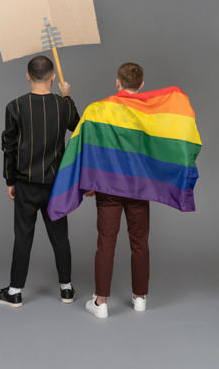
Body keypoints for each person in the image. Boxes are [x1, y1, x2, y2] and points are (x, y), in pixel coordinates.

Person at [0, 55, 80, 308]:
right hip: (56, 184)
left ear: (28, 76)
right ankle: (66, 289)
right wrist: (67, 96)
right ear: (53, 77)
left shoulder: (15, 106)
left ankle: (15, 291)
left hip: (26, 182)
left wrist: (10, 180)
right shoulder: (63, 106)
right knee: (60, 236)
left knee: (23, 237)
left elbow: (9, 147)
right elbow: (78, 126)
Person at [85, 63, 149, 318]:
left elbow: (92, 148)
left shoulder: (98, 110)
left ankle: (101, 303)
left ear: (117, 82)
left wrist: (90, 182)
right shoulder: (150, 113)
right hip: (139, 187)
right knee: (140, 243)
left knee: (106, 244)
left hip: (108, 187)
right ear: (142, 84)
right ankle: (140, 298)